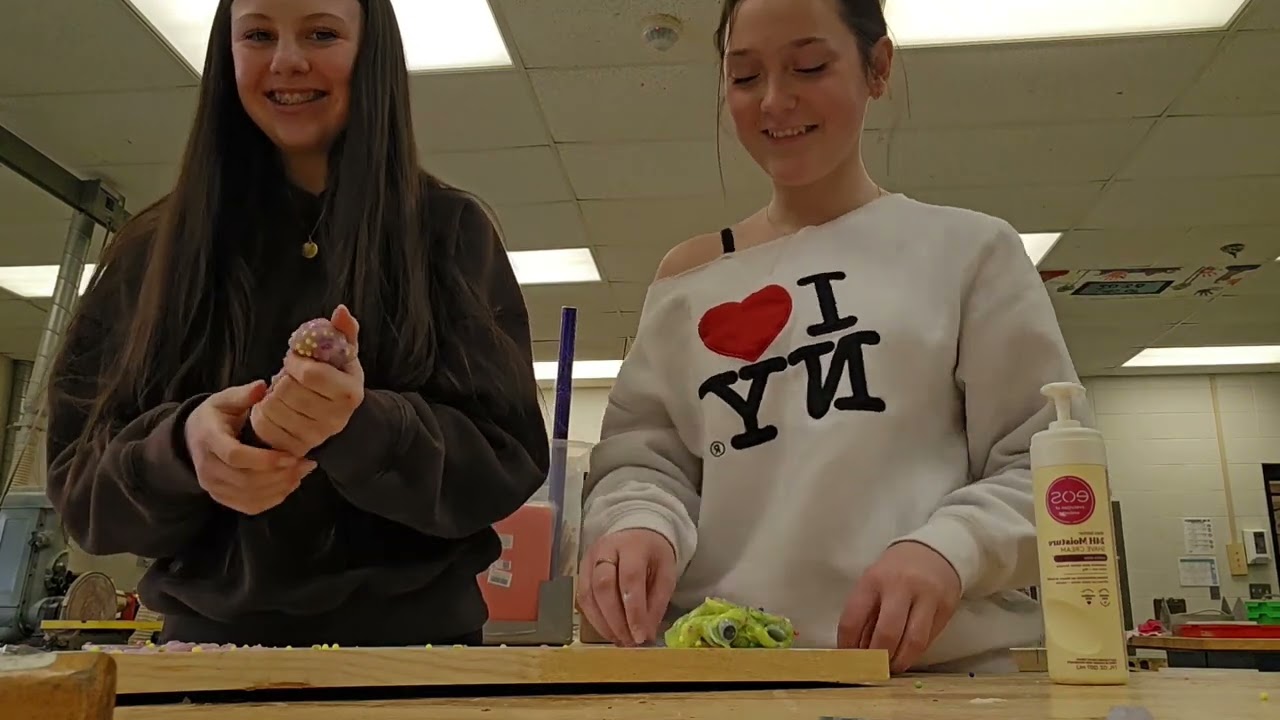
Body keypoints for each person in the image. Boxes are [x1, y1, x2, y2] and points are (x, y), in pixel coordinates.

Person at [576, 0, 1086, 674]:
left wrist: (948, 550)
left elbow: (1047, 465)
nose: (776, 101)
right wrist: (637, 527)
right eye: (745, 77)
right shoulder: (687, 281)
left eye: (809, 66)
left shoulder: (967, 249)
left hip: (929, 677)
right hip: (720, 675)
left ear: (877, 68)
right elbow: (643, 465)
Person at [44, 0, 550, 648]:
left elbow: (503, 467)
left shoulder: (450, 234)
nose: (287, 59)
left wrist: (364, 426)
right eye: (258, 33)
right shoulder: (154, 251)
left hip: (416, 663)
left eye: (320, 32)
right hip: (204, 658)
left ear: (372, 54)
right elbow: (82, 490)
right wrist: (184, 448)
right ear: (227, 55)